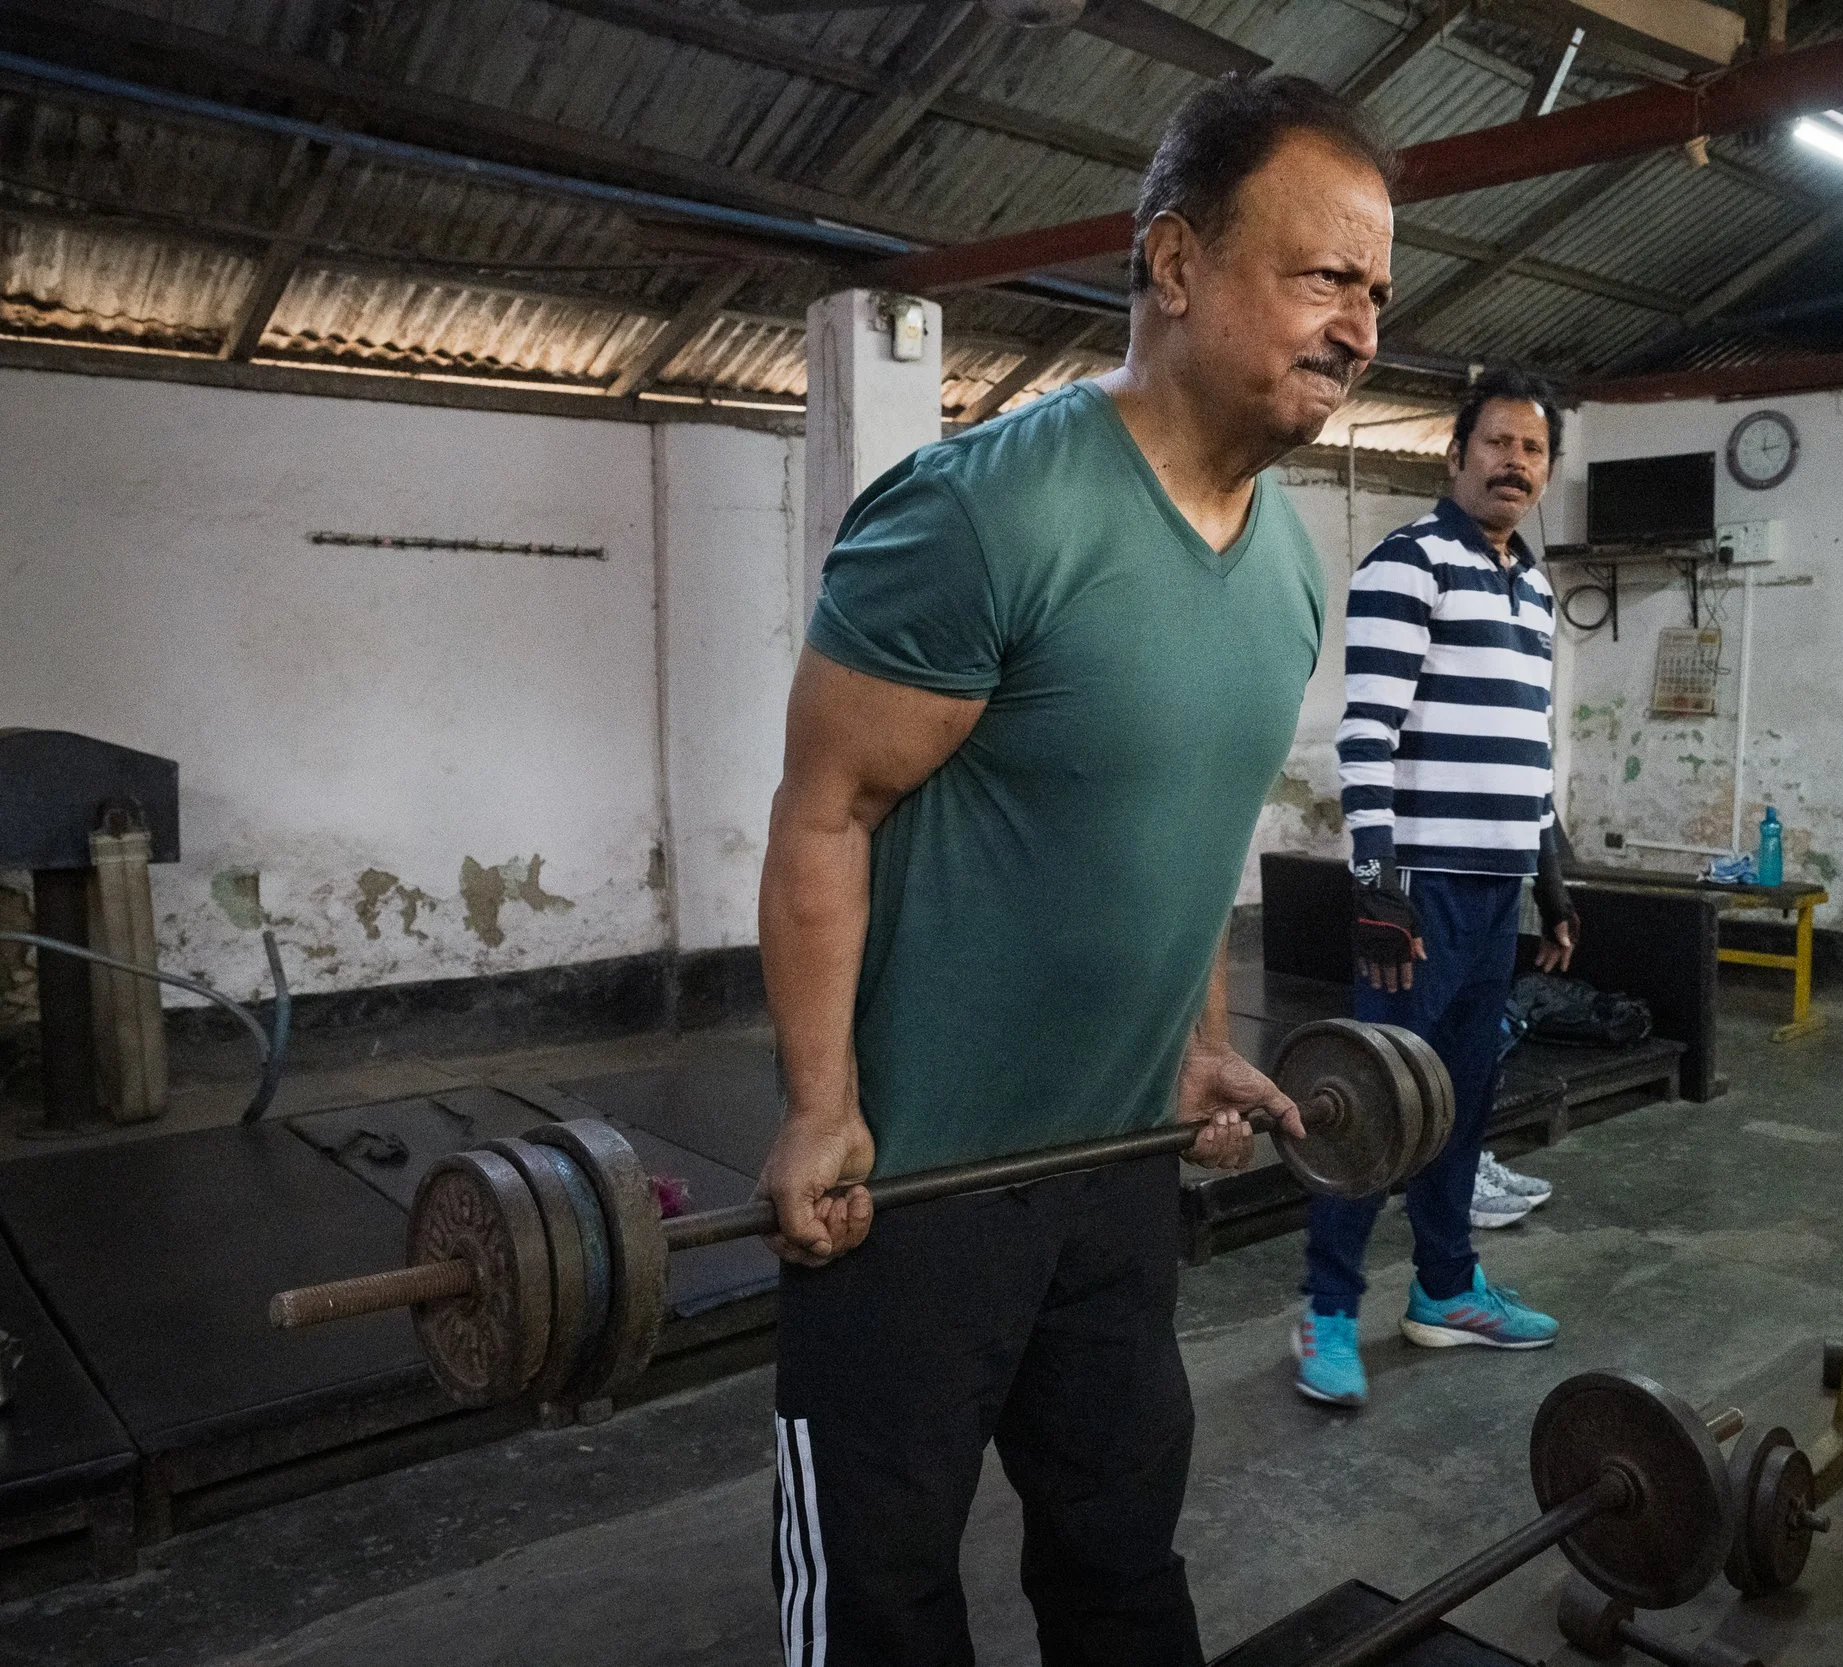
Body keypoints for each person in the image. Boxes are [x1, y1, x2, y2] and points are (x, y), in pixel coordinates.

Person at [754, 75, 1397, 1667]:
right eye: (1325, 275)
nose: (1362, 326)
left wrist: (1192, 1040)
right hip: (916, 1185)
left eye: (1378, 291)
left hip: (1118, 1175)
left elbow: (1186, 824)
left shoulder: (1290, 572)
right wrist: (821, 1101)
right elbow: (822, 811)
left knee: (1120, 1552)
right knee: (882, 1597)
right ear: (1174, 265)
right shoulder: (985, 515)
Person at [1293, 368, 1580, 1409]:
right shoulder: (1406, 565)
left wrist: (1553, 879)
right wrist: (1375, 885)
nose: (1513, 462)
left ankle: (1445, 1289)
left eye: (1532, 449)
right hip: (1418, 895)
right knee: (1379, 1107)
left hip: (1497, 886)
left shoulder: (1535, 587)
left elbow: (1527, 754)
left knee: (1461, 1102)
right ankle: (1326, 1309)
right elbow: (1363, 737)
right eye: (1495, 443)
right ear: (1454, 457)